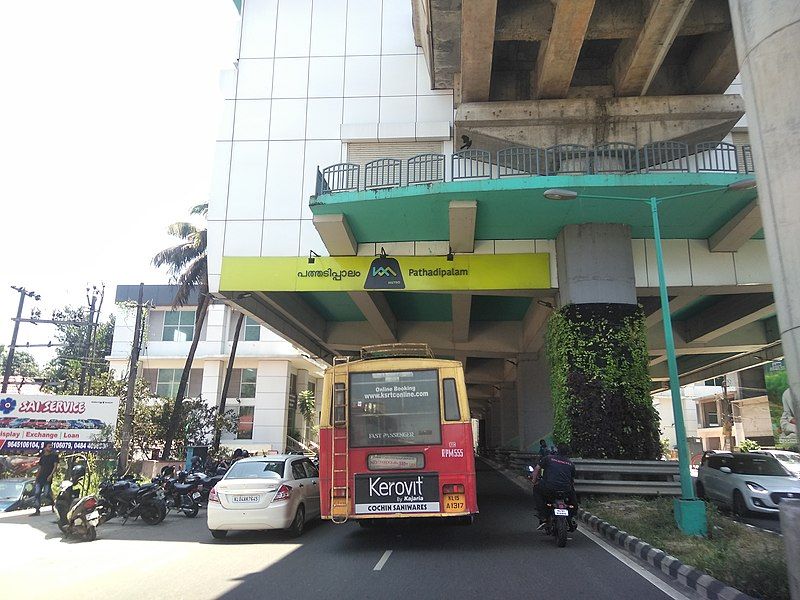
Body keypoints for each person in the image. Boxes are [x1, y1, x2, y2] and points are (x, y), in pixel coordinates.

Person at [531, 442, 577, 530]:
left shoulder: (548, 458)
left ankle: (543, 516)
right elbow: (572, 479)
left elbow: (537, 468)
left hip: (549, 488)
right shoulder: (571, 464)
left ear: (557, 450)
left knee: (536, 489)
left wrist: (534, 480)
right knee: (573, 499)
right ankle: (571, 518)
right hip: (565, 490)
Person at [31, 442, 58, 516]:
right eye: (49, 446)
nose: (51, 448)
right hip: (40, 478)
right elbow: (40, 467)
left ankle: (53, 503)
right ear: (45, 448)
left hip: (47, 478)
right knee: (37, 493)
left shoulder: (54, 456)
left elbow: (55, 466)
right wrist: (36, 477)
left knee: (46, 494)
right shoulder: (42, 457)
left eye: (51, 446)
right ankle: (37, 510)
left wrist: (51, 475)